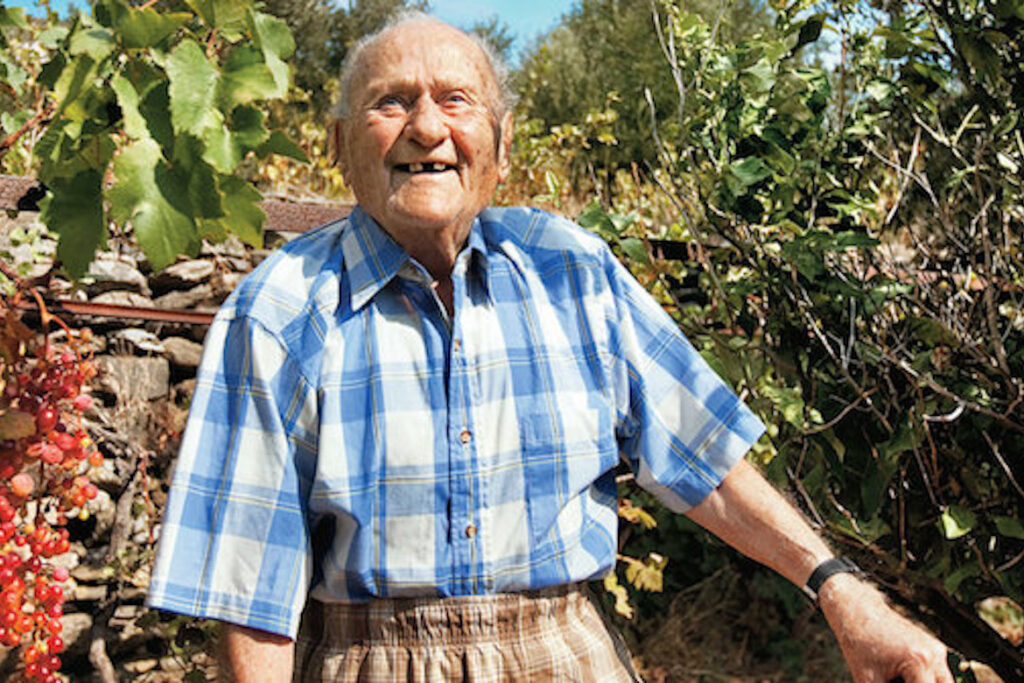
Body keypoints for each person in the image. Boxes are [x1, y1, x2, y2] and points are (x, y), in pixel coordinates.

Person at [146, 13, 955, 683]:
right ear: (337, 143)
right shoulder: (278, 310)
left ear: (499, 139)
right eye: (390, 102)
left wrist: (845, 594)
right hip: (371, 661)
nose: (427, 126)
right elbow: (249, 592)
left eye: (455, 100)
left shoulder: (571, 269)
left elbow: (705, 461)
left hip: (565, 654)